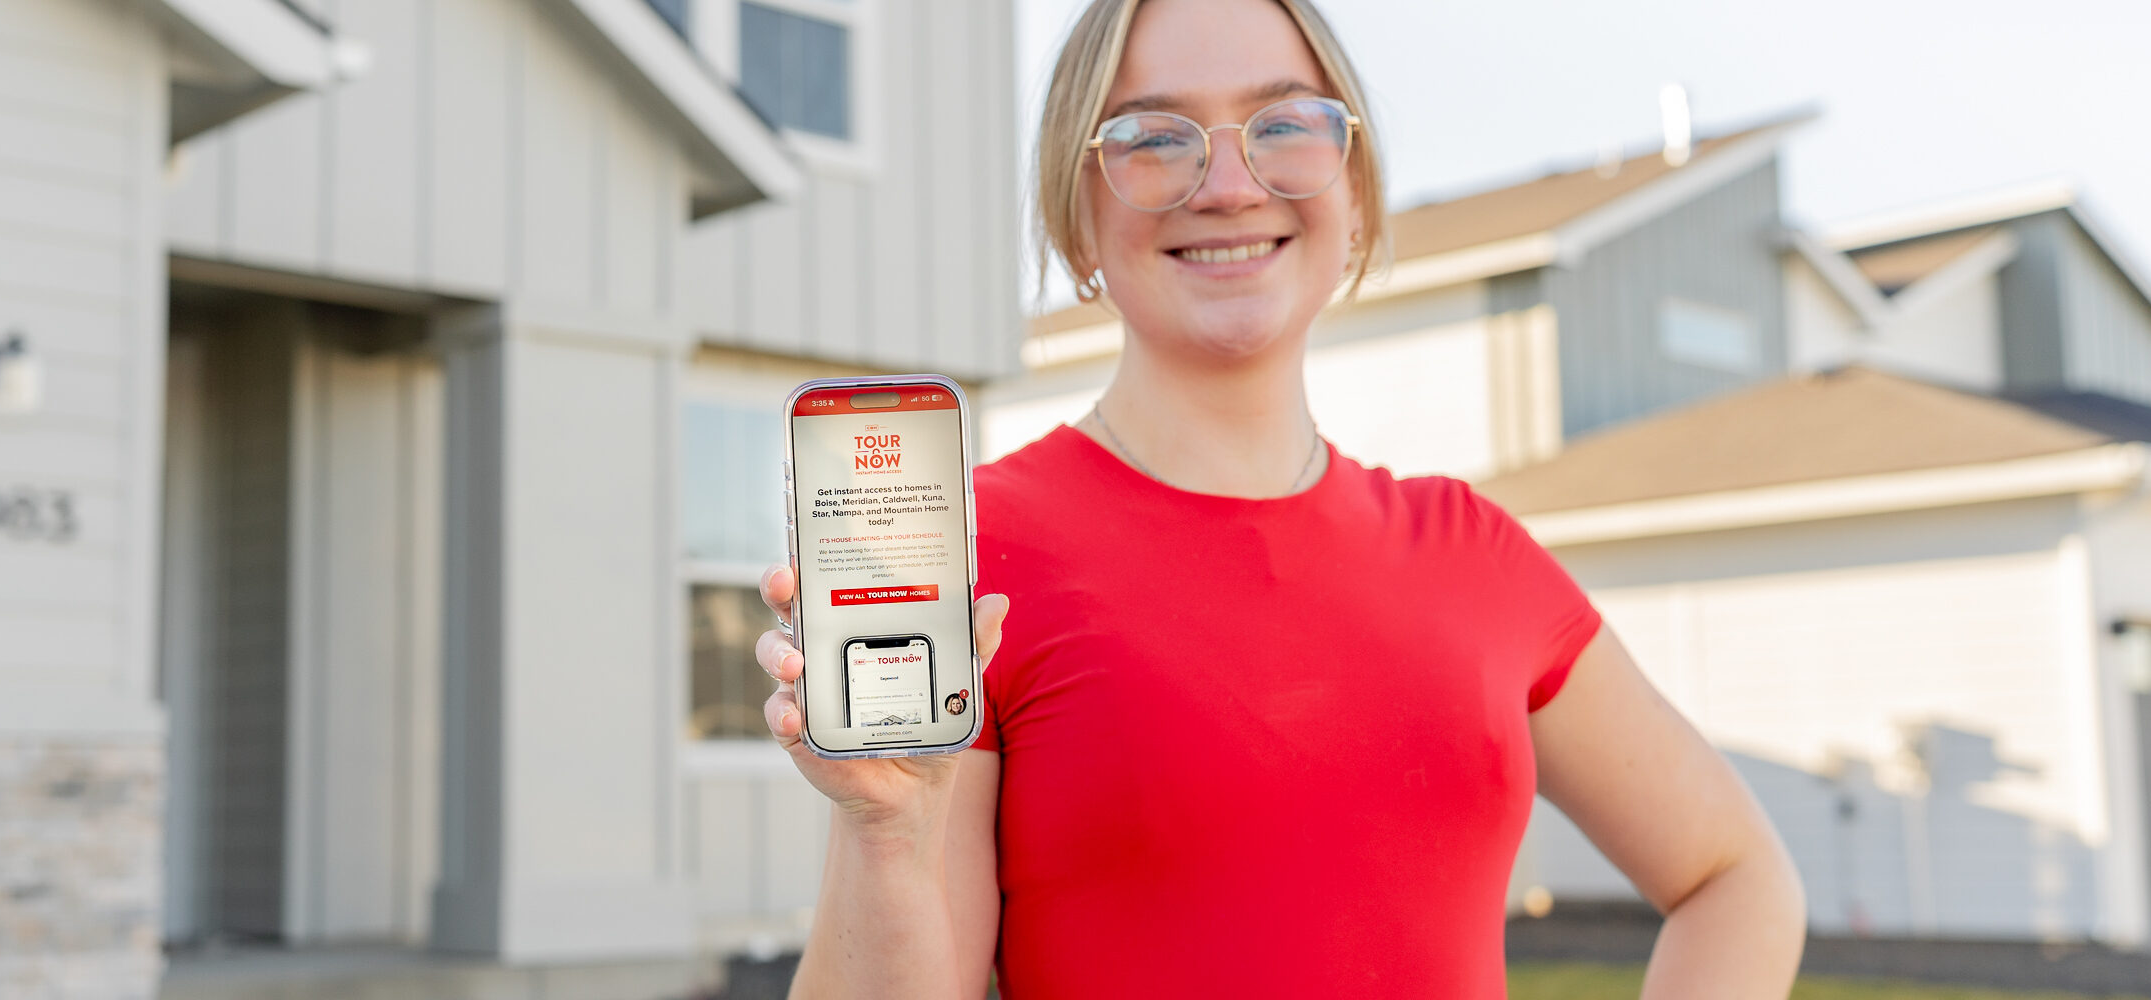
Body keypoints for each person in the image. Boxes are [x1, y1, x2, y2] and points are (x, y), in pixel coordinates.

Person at [754, 0, 1807, 995]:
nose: (1227, 183)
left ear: (1355, 191)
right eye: (1154, 138)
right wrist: (884, 834)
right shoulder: (975, 559)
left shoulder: (1475, 553)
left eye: (1285, 125)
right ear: (1076, 218)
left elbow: (1736, 876)